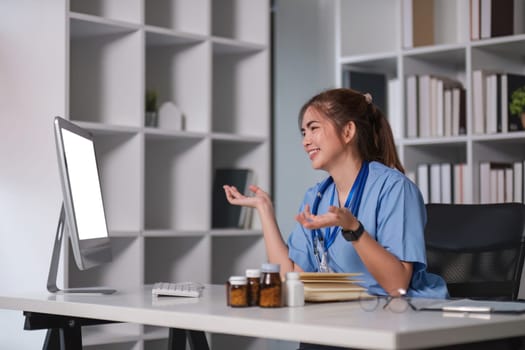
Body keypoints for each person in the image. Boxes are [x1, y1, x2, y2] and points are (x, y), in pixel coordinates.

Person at [223, 88, 448, 300]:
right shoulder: (315, 197)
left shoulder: (395, 189)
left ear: (348, 131)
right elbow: (289, 278)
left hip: (404, 316)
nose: (305, 141)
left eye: (314, 128)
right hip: (349, 314)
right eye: (303, 132)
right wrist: (265, 209)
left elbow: (397, 286)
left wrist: (354, 229)